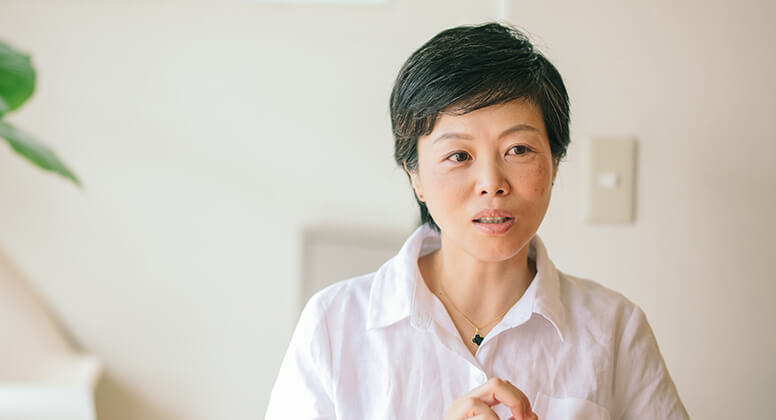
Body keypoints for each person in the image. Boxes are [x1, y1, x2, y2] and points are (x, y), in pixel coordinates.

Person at [265, 23, 688, 420]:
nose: (492, 183)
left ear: (555, 163)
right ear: (415, 176)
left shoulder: (615, 329)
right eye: (459, 156)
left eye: (518, 150)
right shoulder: (333, 324)